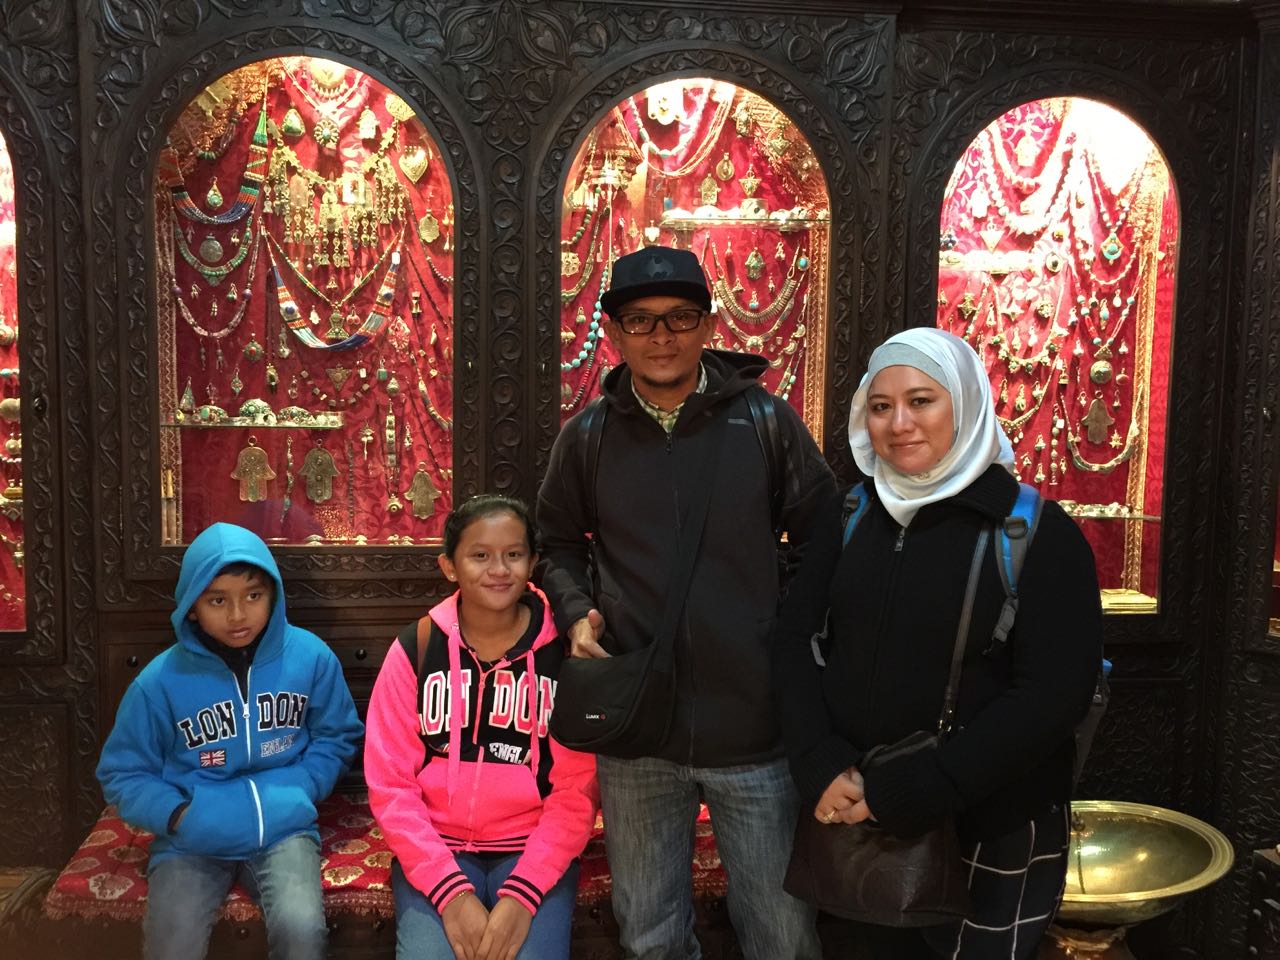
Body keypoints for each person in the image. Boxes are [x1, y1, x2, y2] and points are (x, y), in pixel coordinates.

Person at [536, 245, 834, 960]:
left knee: (784, 935)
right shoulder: (588, 437)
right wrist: (576, 612)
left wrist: (779, 626)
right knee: (650, 936)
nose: (661, 336)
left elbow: (823, 534)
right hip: (638, 724)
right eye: (641, 321)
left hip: (754, 725)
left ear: (708, 325)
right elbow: (555, 542)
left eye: (679, 317)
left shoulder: (764, 421)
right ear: (615, 333)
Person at [772, 327, 1103, 959]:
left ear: (966, 404)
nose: (899, 423)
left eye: (921, 400)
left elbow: (1052, 696)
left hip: (989, 828)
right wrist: (819, 760)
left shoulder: (1035, 531)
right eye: (881, 406)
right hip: (855, 818)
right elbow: (795, 639)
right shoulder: (850, 514)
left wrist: (920, 789)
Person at [96, 522, 364, 960]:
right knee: (172, 943)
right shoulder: (158, 682)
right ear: (193, 607)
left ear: (273, 595)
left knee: (302, 934)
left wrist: (304, 787)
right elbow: (122, 773)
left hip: (284, 830)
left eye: (253, 596)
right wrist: (179, 814)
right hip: (190, 841)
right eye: (218, 600)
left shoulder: (311, 657)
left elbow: (337, 735)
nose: (238, 615)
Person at [365, 494, 598, 960]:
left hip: (533, 850)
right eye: (479, 555)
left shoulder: (563, 656)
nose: (499, 570)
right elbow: (390, 784)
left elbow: (576, 789)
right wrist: (449, 892)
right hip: (437, 849)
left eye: (513, 554)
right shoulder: (417, 647)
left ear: (533, 563)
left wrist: (525, 893)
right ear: (449, 566)